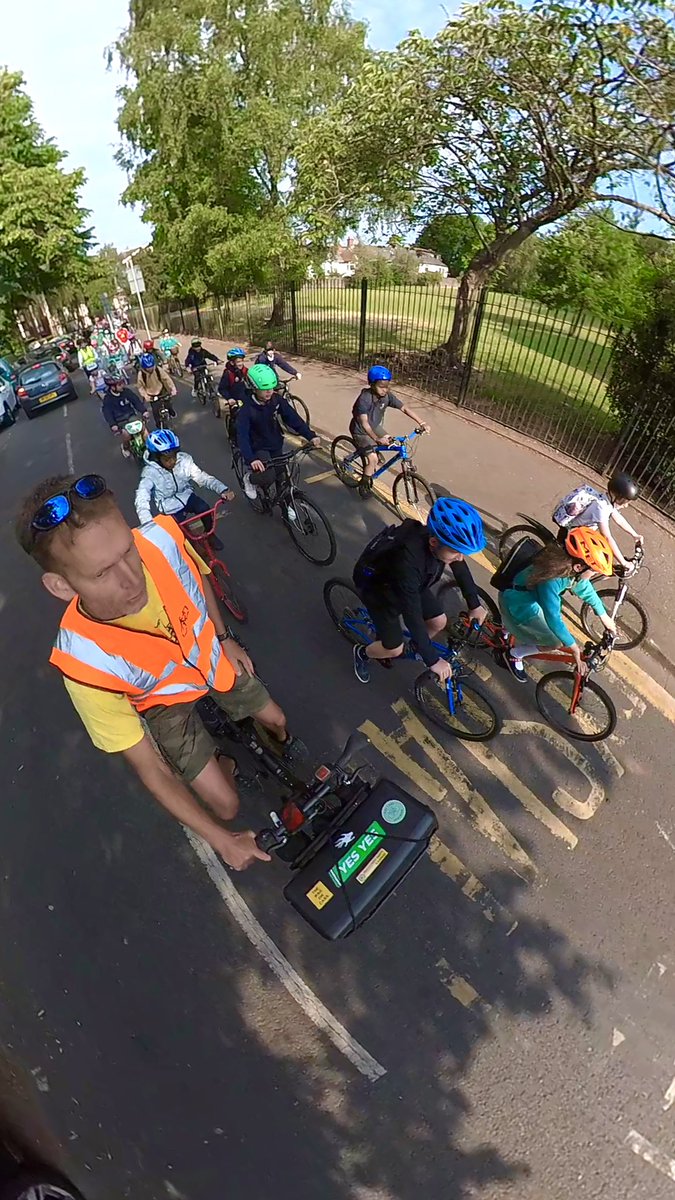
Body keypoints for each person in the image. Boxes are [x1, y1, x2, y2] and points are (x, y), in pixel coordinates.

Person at [16, 475, 307, 871]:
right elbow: (149, 768)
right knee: (226, 807)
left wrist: (224, 638)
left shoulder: (162, 539)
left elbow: (196, 576)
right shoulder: (82, 664)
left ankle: (277, 742)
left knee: (278, 720)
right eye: (102, 574)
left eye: (128, 552)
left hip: (209, 658)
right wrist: (223, 840)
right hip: (165, 704)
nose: (133, 581)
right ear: (61, 587)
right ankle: (226, 762)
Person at [351, 498, 488, 684]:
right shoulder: (407, 564)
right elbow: (412, 614)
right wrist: (432, 659)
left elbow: (460, 567)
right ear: (433, 542)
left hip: (414, 587)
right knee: (394, 648)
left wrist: (474, 604)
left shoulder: (440, 546)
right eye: (456, 551)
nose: (460, 557)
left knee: (439, 622)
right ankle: (363, 653)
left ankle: (415, 647)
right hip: (382, 594)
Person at [499, 527, 617, 683]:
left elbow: (584, 589)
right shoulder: (551, 580)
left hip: (525, 596)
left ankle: (505, 629)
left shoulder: (564, 565)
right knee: (554, 641)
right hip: (517, 603)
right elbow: (553, 618)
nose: (594, 574)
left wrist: (604, 616)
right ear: (579, 567)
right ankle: (514, 655)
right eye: (594, 571)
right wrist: (574, 649)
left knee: (547, 629)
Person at [135, 429, 234, 549]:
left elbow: (202, 477)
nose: (172, 461)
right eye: (167, 459)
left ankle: (210, 535)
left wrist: (222, 489)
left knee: (204, 508)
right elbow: (142, 497)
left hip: (186, 496)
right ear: (156, 458)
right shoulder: (149, 473)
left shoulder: (184, 461)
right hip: (168, 507)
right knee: (180, 537)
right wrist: (148, 523)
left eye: (174, 457)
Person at [236, 363, 319, 502]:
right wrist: (251, 459)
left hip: (275, 443)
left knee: (283, 477)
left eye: (271, 388)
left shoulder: (276, 400)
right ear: (254, 388)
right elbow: (242, 436)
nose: (269, 392)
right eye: (265, 389)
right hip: (258, 447)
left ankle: (286, 508)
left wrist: (310, 435)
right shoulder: (247, 410)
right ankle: (249, 479)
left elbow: (293, 418)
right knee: (268, 476)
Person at [350, 366, 430, 486]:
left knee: (392, 441)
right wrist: (377, 439)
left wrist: (422, 423)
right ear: (372, 384)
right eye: (381, 386)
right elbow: (364, 423)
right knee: (373, 459)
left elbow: (404, 408)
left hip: (375, 426)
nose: (384, 390)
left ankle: (375, 456)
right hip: (361, 431)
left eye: (387, 386)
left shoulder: (387, 396)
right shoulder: (364, 399)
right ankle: (364, 484)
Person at [552, 471, 643, 574]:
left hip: (581, 535)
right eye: (625, 502)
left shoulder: (605, 501)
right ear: (617, 496)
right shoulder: (601, 508)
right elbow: (607, 537)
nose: (626, 506)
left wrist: (634, 535)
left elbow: (619, 519)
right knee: (585, 566)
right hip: (572, 536)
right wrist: (623, 562)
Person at [101, 377, 151, 458]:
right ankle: (125, 448)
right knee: (126, 434)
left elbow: (136, 401)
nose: (122, 386)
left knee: (144, 430)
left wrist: (144, 411)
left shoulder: (127, 392)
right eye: (119, 384)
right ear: (113, 387)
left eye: (122, 383)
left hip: (131, 416)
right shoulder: (108, 399)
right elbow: (107, 413)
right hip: (120, 420)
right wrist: (113, 424)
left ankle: (150, 447)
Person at [136, 351, 177, 427]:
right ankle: (159, 425)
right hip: (151, 394)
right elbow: (140, 387)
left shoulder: (158, 370)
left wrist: (173, 388)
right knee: (155, 410)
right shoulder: (141, 375)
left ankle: (171, 411)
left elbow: (166, 379)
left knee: (168, 403)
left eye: (151, 366)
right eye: (147, 368)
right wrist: (145, 396)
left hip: (161, 389)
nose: (150, 369)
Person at [217, 348, 249, 421]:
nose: (241, 363)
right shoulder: (228, 373)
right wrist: (229, 398)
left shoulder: (245, 370)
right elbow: (222, 388)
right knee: (236, 420)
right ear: (232, 362)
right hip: (235, 401)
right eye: (238, 362)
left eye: (241, 361)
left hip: (247, 399)